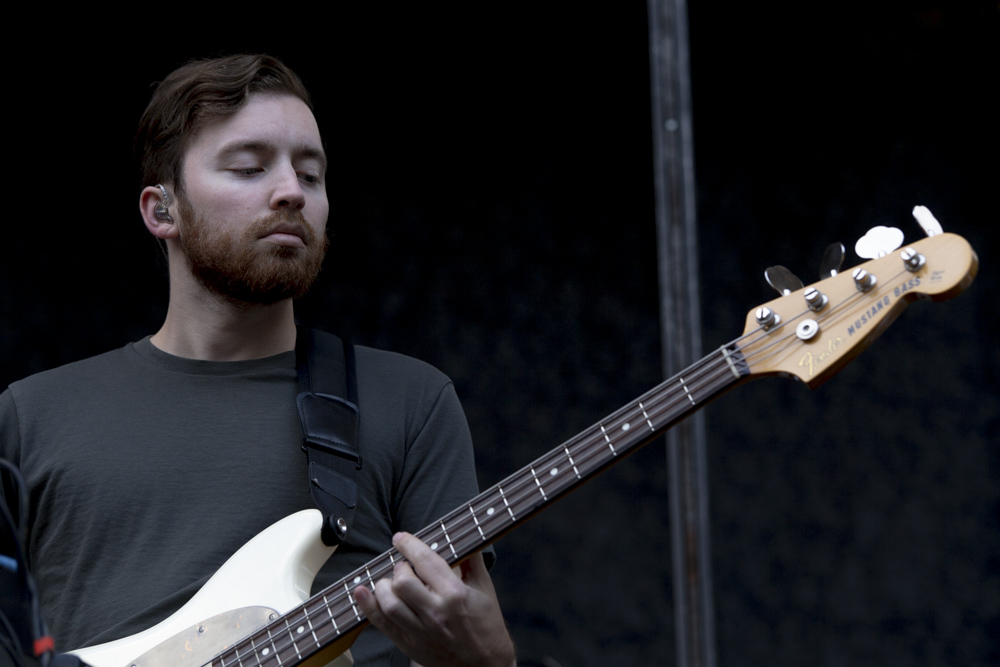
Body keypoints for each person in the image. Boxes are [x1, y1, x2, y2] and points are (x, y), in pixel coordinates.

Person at [0, 54, 516, 667]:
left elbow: (466, 632)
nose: (292, 192)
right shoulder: (29, 417)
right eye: (249, 167)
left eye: (313, 175)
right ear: (161, 211)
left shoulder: (412, 402)